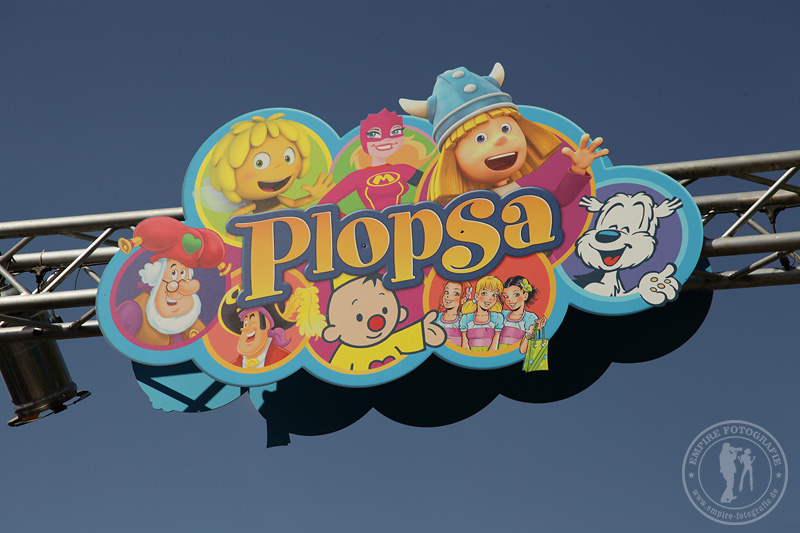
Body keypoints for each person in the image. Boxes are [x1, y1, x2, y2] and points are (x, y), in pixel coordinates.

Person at [399, 63, 608, 206]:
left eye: (506, 129)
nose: (501, 139)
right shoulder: (458, 209)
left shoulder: (521, 193)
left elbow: (556, 202)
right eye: (480, 138)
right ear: (452, 158)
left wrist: (578, 169)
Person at [116, 217, 226, 346]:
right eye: (173, 273)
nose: (178, 287)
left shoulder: (194, 324)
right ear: (158, 275)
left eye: (184, 275)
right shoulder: (133, 311)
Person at [207, 113, 333, 217]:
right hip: (262, 232)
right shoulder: (256, 205)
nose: (280, 168)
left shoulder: (276, 199)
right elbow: (237, 216)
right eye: (260, 163)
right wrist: (231, 226)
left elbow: (294, 204)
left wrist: (314, 196)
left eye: (288, 158)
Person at [322, 273, 446, 371]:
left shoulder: (392, 340)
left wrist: (424, 331)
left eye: (384, 310)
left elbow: (412, 337)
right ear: (333, 332)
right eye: (359, 317)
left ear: (400, 313)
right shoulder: (345, 355)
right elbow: (337, 374)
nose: (377, 323)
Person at [319, 109, 431, 212]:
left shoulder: (403, 170)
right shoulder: (357, 177)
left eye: (395, 132)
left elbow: (433, 187)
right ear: (364, 141)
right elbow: (323, 206)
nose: (386, 139)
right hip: (371, 225)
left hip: (404, 222)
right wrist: (348, 222)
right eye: (373, 134)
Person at [498, 276, 547, 352]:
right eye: (506, 296)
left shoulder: (530, 317)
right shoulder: (503, 315)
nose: (510, 300)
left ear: (525, 296)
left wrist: (530, 332)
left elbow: (523, 350)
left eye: (516, 295)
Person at [459, 275, 504, 351]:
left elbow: (495, 344)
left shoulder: (497, 317)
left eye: (493, 295)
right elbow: (465, 345)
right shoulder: (466, 318)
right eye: (484, 293)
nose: (489, 298)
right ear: (476, 296)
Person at [434, 280, 472, 346]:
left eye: (455, 294)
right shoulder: (437, 318)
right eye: (446, 292)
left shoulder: (463, 319)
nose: (448, 296)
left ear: (463, 300)